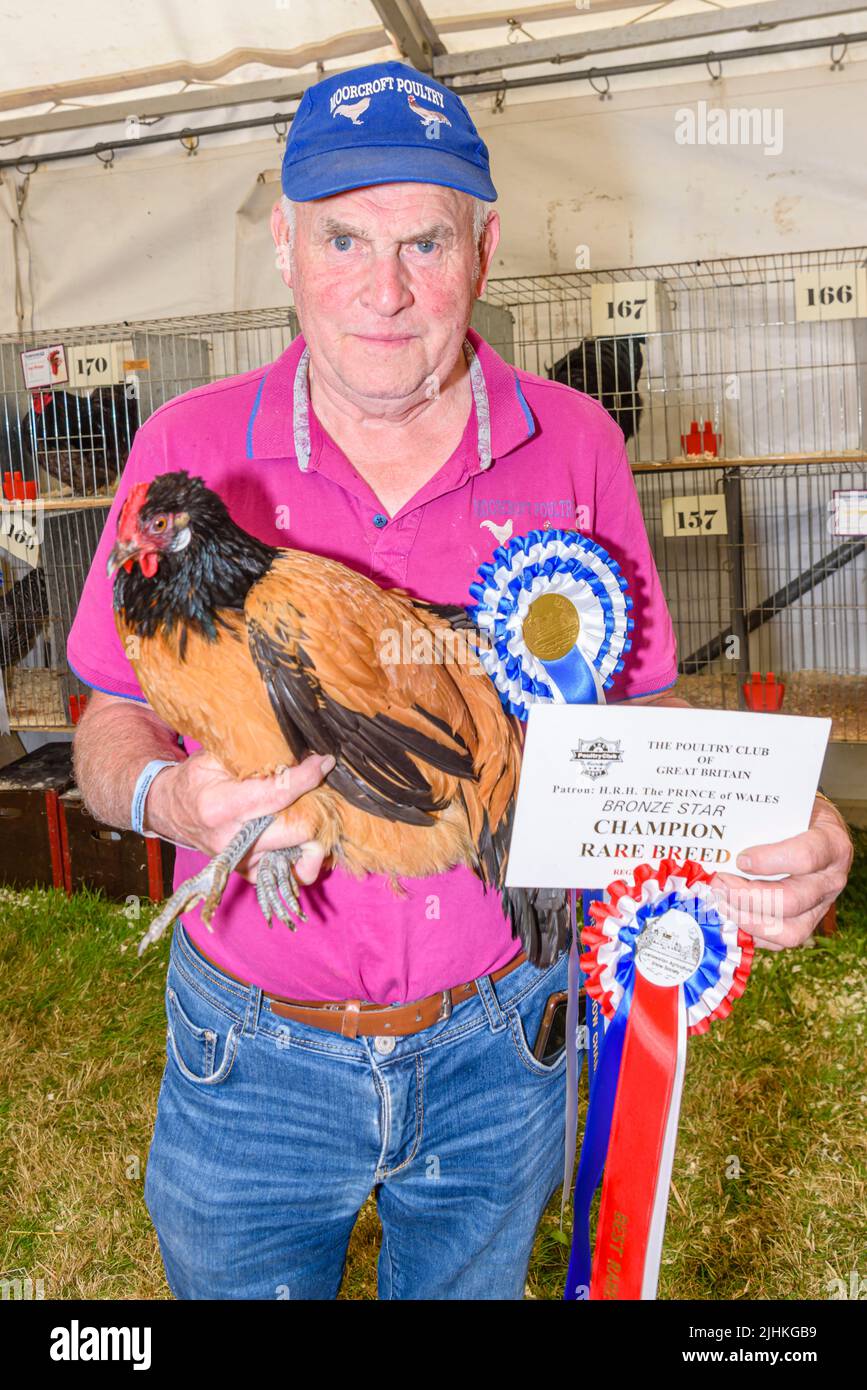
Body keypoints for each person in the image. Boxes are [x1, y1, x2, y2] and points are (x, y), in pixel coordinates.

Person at [68, 61, 854, 1300]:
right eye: (343, 238)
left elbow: (633, 710)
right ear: (284, 244)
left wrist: (757, 820)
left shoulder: (579, 442)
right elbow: (105, 711)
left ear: (482, 252)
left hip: (506, 1043)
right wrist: (166, 799)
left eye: (425, 242)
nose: (385, 291)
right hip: (254, 1058)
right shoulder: (184, 451)